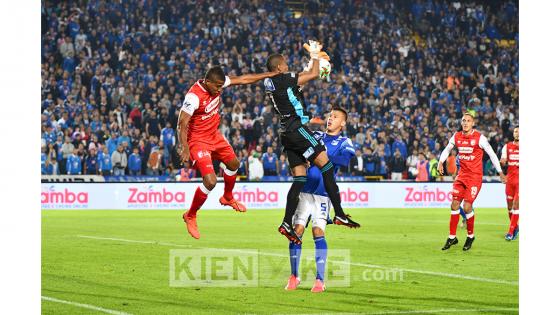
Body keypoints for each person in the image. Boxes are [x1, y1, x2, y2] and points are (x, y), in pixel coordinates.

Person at [265, 41, 359, 244]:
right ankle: (340, 213)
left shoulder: (274, 84)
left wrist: (311, 61)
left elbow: (303, 79)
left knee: (299, 178)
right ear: (279, 68)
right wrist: (315, 55)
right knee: (326, 166)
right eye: (285, 64)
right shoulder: (283, 78)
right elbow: (313, 74)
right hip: (297, 129)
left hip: (286, 133)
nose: (288, 66)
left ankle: (286, 222)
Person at [178, 65, 276, 239]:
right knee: (210, 181)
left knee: (234, 164)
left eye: (220, 86)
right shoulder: (194, 96)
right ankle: (191, 215)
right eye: (216, 86)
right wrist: (184, 148)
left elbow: (244, 79)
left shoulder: (218, 83)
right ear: (207, 82)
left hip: (214, 135)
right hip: (198, 141)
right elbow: (182, 122)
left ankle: (228, 197)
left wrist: (270, 74)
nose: (219, 89)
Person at [285, 106, 356, 293]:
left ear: (343, 123)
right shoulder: (315, 137)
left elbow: (344, 160)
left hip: (324, 195)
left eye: (335, 117)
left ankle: (319, 280)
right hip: (305, 192)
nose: (330, 119)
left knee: (318, 231)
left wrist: (320, 154)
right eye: (330, 116)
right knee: (297, 230)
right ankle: (294, 276)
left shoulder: (344, 141)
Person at [438, 111, 506, 251]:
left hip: (474, 177)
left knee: (467, 207)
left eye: (468, 120)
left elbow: (492, 154)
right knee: (454, 204)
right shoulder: (456, 136)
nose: (465, 123)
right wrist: (440, 162)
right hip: (461, 176)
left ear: (472, 123)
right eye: (463, 120)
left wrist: (500, 172)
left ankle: (470, 236)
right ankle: (452, 237)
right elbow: (447, 149)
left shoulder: (480, 138)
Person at [501, 126, 519, 241]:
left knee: (516, 205)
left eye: (519, 131)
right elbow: (503, 159)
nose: (517, 133)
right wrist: (502, 162)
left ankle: (510, 232)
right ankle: (515, 227)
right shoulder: (507, 146)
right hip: (510, 180)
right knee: (509, 207)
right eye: (515, 131)